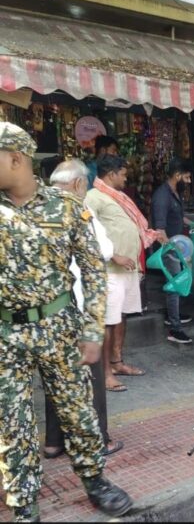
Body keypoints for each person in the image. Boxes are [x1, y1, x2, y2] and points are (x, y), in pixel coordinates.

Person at [0, 122, 132, 522]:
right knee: (13, 425)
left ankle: (95, 482)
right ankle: (24, 506)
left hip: (60, 327)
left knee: (78, 412)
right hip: (6, 333)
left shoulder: (68, 208)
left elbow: (94, 271)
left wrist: (93, 331)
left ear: (15, 158)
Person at [44, 160, 124, 461]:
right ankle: (99, 439)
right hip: (78, 307)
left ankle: (53, 441)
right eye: (86, 183)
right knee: (91, 374)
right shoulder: (78, 209)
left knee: (54, 374)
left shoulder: (33, 211)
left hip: (48, 311)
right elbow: (102, 249)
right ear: (78, 184)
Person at [86, 155, 164, 393]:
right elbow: (87, 234)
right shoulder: (93, 197)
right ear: (111, 174)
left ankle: (117, 362)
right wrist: (113, 255)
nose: (126, 177)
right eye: (123, 174)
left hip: (129, 268)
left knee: (122, 316)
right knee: (109, 321)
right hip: (110, 270)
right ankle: (106, 374)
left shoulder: (118, 196)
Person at [151, 157, 193, 344]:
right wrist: (171, 249)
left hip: (176, 247)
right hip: (168, 248)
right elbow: (160, 230)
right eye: (187, 177)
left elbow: (177, 215)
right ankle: (175, 329)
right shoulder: (162, 196)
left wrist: (192, 223)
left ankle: (172, 314)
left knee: (177, 284)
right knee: (174, 286)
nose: (189, 181)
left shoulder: (174, 192)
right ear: (177, 175)